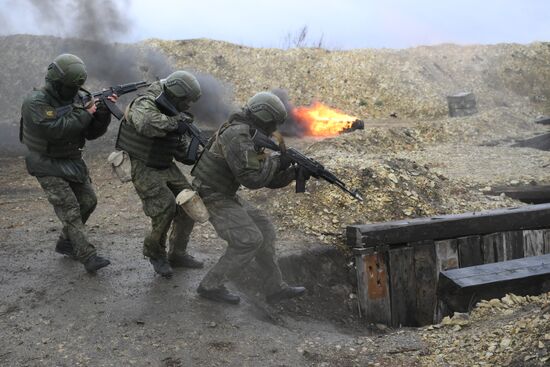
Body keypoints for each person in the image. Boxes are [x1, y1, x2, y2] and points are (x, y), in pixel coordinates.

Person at [191, 91, 306, 304]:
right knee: (249, 239)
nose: (274, 129)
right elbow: (252, 180)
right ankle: (211, 285)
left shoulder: (251, 134)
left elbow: (266, 179)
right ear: (264, 117)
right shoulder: (237, 135)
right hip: (211, 194)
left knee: (265, 229)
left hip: (225, 193)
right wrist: (277, 162)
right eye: (272, 123)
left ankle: (274, 287)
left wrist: (292, 172)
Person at [20, 53, 115, 273]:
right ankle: (88, 256)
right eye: (69, 86)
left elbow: (90, 133)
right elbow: (53, 130)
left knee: (88, 201)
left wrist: (101, 115)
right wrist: (85, 113)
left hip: (71, 159)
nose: (73, 91)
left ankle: (66, 242)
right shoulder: (36, 102)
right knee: (70, 209)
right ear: (56, 82)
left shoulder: (79, 96)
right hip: (44, 162)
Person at [116, 71, 204, 278]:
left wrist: (198, 151)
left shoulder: (175, 110)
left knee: (190, 203)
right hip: (141, 163)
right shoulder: (146, 102)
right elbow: (146, 124)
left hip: (164, 163)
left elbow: (182, 154)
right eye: (186, 100)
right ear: (176, 94)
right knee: (165, 206)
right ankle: (155, 252)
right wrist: (176, 124)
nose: (189, 105)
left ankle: (178, 253)